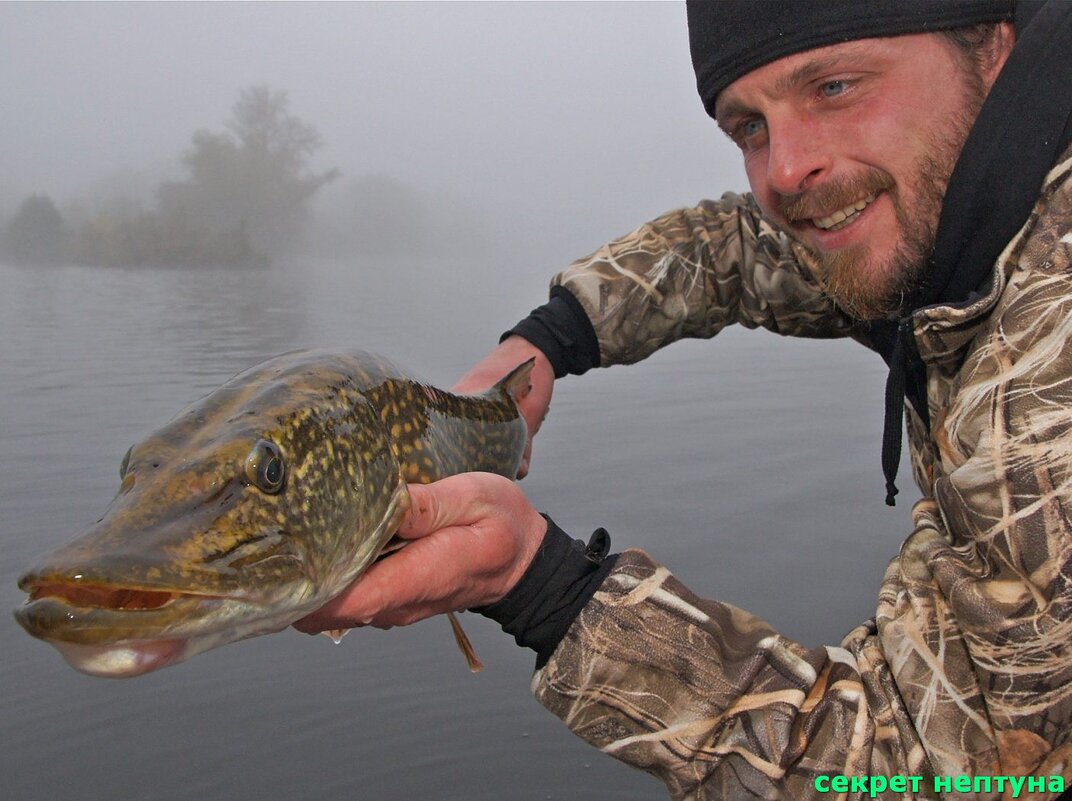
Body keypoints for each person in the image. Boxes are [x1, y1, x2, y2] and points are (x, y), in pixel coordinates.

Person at [297, 1, 1072, 797]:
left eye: (835, 86)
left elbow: (932, 774)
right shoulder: (954, 207)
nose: (784, 169)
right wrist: (551, 339)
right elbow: (733, 250)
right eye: (749, 129)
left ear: (993, 44)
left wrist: (541, 586)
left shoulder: (1046, 397)